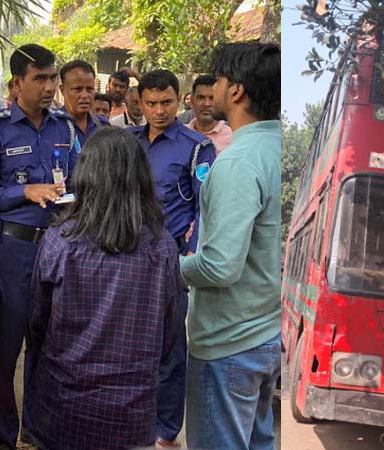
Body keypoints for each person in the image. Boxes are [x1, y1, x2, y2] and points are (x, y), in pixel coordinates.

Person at [27, 126, 180, 450]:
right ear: (141, 177)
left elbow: (37, 323)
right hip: (131, 413)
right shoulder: (161, 245)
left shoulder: (61, 241)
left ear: (86, 175)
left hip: (64, 407)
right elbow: (169, 336)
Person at [0, 43, 79, 450]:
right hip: (13, 252)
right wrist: (24, 192)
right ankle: (4, 439)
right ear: (16, 83)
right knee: (5, 350)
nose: (50, 87)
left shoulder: (64, 127)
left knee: (46, 349)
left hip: (60, 250)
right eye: (41, 79)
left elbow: (79, 181)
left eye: (52, 78)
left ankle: (35, 430)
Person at [180, 43, 282, 450]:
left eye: (218, 81)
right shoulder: (276, 148)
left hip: (229, 344)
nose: (213, 90)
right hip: (265, 336)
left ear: (236, 90)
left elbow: (221, 267)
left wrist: (175, 266)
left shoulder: (238, 161)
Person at [128, 69, 216, 447]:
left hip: (171, 259)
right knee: (129, 342)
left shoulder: (197, 147)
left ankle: (166, 430)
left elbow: (205, 203)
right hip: (126, 256)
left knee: (170, 346)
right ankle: (132, 419)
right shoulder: (127, 143)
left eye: (166, 102)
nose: (159, 110)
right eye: (151, 103)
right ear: (141, 103)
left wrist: (194, 247)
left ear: (180, 100)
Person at [57, 60, 109, 145]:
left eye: (89, 89)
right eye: (77, 89)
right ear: (62, 90)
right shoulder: (51, 127)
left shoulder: (103, 126)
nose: (85, 95)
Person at [186, 75, 233, 154]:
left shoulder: (232, 138)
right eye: (201, 97)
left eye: (212, 98)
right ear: (192, 100)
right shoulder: (181, 134)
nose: (207, 104)